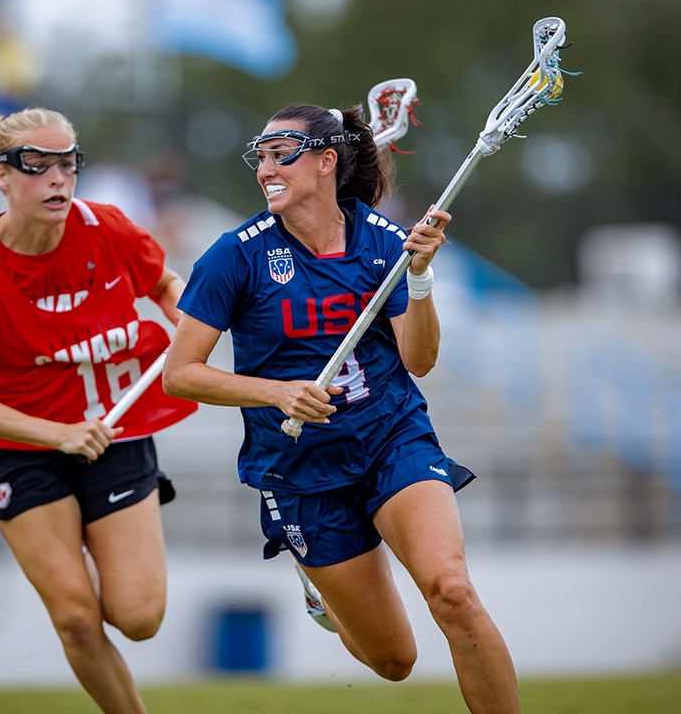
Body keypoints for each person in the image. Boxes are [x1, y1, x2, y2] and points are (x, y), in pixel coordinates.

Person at [163, 104, 520, 713]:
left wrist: (422, 277)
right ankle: (322, 595)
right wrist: (277, 392)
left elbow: (420, 359)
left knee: (453, 592)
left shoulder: (385, 242)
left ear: (327, 163)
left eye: (283, 156)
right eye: (263, 158)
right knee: (393, 661)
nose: (266, 170)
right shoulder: (235, 256)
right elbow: (180, 374)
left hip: (391, 437)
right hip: (300, 469)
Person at [0, 107, 196, 714]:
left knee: (138, 618)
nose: (58, 179)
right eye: (37, 166)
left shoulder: (105, 226)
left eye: (68, 164)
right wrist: (56, 434)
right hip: (23, 451)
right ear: (0, 175)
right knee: (78, 620)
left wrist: (187, 320)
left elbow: (163, 283)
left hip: (113, 434)